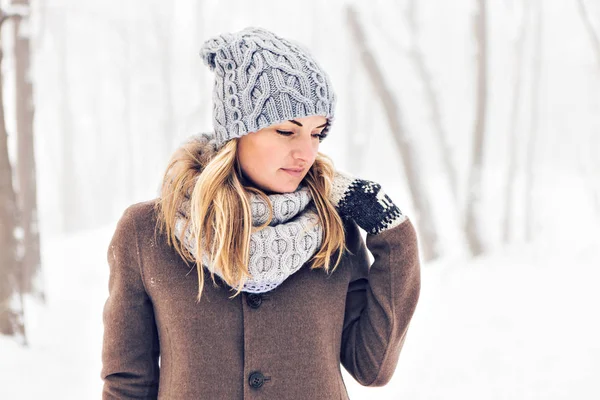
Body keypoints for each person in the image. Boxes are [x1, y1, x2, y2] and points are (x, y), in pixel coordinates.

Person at [101, 26, 421, 399]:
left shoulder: (334, 228)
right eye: (287, 130)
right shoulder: (148, 234)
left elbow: (372, 367)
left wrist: (393, 233)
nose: (306, 152)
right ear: (236, 133)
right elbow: (127, 384)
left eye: (318, 133)